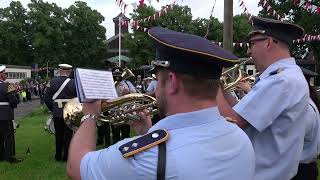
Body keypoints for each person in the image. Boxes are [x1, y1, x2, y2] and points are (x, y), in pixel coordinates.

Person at [67, 27, 255, 180]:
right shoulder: (240, 136)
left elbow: (76, 166)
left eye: (157, 78)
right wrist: (147, 133)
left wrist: (90, 114)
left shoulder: (148, 156)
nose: (156, 88)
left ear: (172, 81)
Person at [217, 16, 308, 180]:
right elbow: (241, 112)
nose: (248, 52)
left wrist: (210, 82)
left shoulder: (280, 80)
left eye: (251, 44)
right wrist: (222, 91)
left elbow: (235, 122)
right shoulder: (283, 76)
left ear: (268, 43)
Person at [291, 68, 320, 180]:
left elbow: (294, 139)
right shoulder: (307, 102)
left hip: (301, 169)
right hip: (302, 168)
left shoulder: (305, 108)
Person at [44, 64, 76, 161]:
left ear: (59, 70)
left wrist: (53, 108)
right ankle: (66, 156)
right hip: (70, 112)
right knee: (68, 134)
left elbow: (46, 98)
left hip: (57, 112)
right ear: (69, 71)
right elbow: (77, 98)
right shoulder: (73, 82)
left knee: (58, 135)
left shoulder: (52, 82)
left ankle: (58, 156)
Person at [0, 65, 21, 163]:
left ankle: (1, 156)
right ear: (1, 75)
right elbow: (14, 101)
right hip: (5, 114)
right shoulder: (8, 85)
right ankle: (10, 157)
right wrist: (16, 96)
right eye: (5, 73)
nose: (6, 75)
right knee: (9, 136)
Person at [111, 66, 136, 143]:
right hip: (114, 110)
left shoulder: (127, 83)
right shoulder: (110, 84)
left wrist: (128, 92)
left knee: (125, 131)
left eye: (119, 74)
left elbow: (135, 93)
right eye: (115, 74)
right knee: (115, 132)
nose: (117, 76)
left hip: (125, 110)